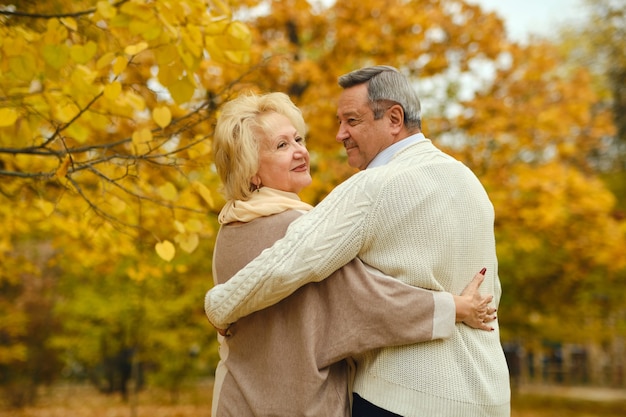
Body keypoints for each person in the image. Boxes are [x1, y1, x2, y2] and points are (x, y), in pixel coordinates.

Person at [205, 67, 510, 416]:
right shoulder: (469, 180)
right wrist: (459, 307)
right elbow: (361, 299)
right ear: (250, 167)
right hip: (488, 393)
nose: (339, 135)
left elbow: (357, 297)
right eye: (282, 145)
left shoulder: (369, 187)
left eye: (352, 120)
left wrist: (218, 304)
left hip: (401, 395)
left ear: (394, 118)